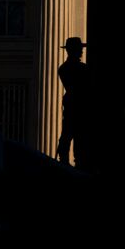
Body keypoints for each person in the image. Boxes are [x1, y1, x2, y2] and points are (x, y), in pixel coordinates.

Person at [56, 37, 90, 165]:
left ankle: (68, 160)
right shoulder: (82, 69)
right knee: (75, 135)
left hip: (72, 105)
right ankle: (74, 161)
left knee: (69, 134)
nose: (81, 51)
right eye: (80, 49)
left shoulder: (64, 68)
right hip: (77, 107)